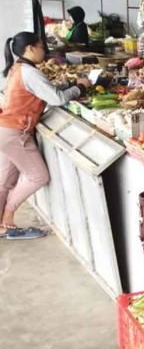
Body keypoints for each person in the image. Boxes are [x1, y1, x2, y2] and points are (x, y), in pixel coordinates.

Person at [0, 32, 89, 240]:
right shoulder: (30, 72)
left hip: (5, 129)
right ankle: (8, 217)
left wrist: (68, 84)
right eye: (41, 47)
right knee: (38, 176)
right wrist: (81, 87)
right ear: (30, 49)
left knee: (5, 181)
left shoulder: (18, 68)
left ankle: (2, 224)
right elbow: (57, 99)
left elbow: (42, 91)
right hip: (15, 132)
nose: (44, 51)